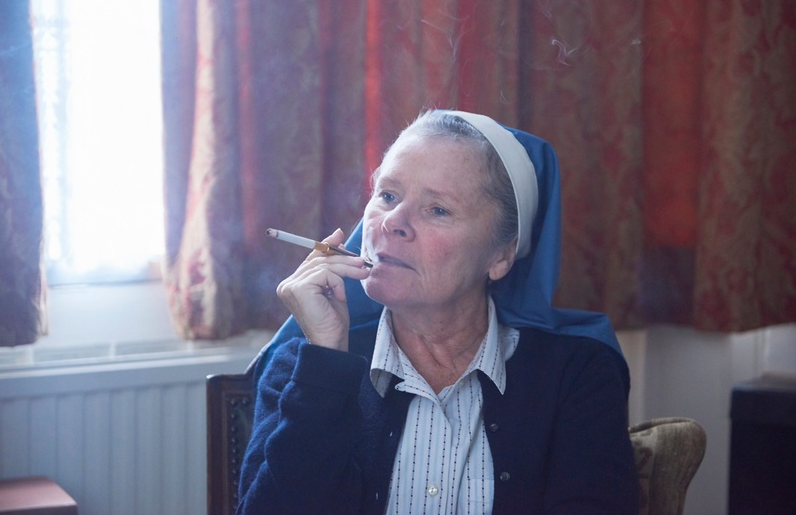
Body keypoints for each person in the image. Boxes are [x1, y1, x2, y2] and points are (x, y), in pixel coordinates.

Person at [236, 110, 640, 514]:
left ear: (501, 256)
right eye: (387, 195)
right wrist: (324, 364)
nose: (392, 222)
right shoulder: (303, 366)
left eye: (438, 210)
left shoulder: (577, 374)